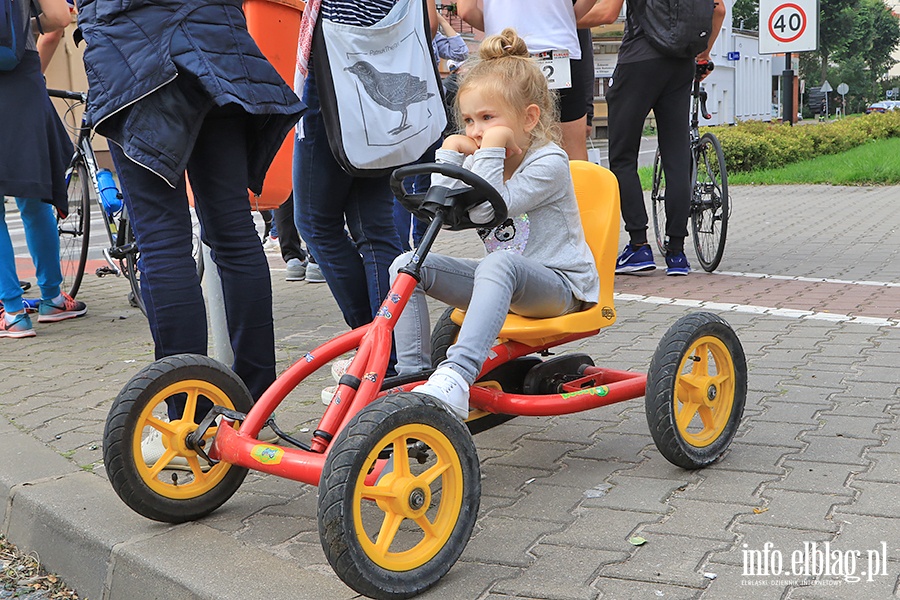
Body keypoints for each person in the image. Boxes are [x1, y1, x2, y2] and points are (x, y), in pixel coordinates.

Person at [77, 0, 305, 423]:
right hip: (215, 37)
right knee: (235, 232)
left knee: (164, 243)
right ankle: (255, 409)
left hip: (133, 54)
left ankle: (189, 420)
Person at [389, 28, 600, 420]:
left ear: (529, 118)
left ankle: (456, 375)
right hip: (508, 281)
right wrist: (451, 150)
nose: (475, 131)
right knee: (406, 265)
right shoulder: (483, 156)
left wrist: (491, 145)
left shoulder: (548, 162)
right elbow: (443, 208)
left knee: (497, 264)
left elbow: (489, 209)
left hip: (561, 286)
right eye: (468, 120)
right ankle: (413, 376)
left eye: (488, 118)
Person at [293, 0, 438, 333]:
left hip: (334, 57)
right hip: (380, 48)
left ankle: (371, 341)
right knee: (376, 227)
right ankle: (392, 352)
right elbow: (428, 21)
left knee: (316, 222)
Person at [583, 0, 725, 276]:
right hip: (681, 65)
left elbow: (607, 13)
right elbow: (718, 10)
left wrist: (559, 19)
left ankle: (639, 245)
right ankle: (677, 253)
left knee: (623, 157)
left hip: (638, 62)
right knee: (677, 157)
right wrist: (702, 56)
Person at [1, 0, 87, 339]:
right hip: (21, 79)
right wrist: (23, 24)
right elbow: (58, 19)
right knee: (33, 195)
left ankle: (12, 312)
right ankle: (52, 298)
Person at [457, 0, 596, 161]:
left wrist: (500, 30)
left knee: (501, 149)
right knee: (573, 153)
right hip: (558, 46)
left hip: (503, 51)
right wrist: (568, 17)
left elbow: (466, 10)